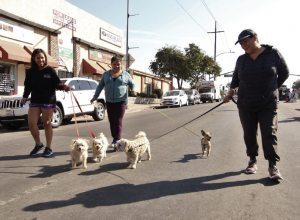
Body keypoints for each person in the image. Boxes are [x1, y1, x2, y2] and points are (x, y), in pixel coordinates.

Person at [224, 29, 289, 180]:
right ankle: (252, 160)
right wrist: (229, 94)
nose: (243, 46)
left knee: (269, 132)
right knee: (249, 134)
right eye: (241, 44)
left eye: (245, 42)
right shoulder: (241, 60)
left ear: (255, 38)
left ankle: (272, 165)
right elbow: (235, 80)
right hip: (246, 103)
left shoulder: (273, 54)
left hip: (268, 102)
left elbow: (285, 72)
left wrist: (273, 87)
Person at [22, 49, 70, 157]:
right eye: (38, 58)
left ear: (45, 58)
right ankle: (39, 144)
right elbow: (28, 86)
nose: (40, 60)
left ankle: (48, 147)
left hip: (48, 100)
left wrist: (64, 87)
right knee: (31, 123)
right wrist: (25, 96)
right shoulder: (30, 72)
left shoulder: (50, 70)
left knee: (46, 124)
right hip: (35, 100)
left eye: (42, 57)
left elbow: (57, 83)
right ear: (34, 59)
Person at [91, 56, 136, 148]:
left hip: (121, 101)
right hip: (109, 101)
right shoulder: (106, 74)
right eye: (114, 64)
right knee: (111, 121)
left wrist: (133, 90)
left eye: (118, 64)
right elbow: (100, 86)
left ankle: (116, 139)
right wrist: (95, 96)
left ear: (121, 64)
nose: (116, 66)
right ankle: (115, 138)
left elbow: (132, 84)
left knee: (118, 120)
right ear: (111, 65)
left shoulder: (126, 75)